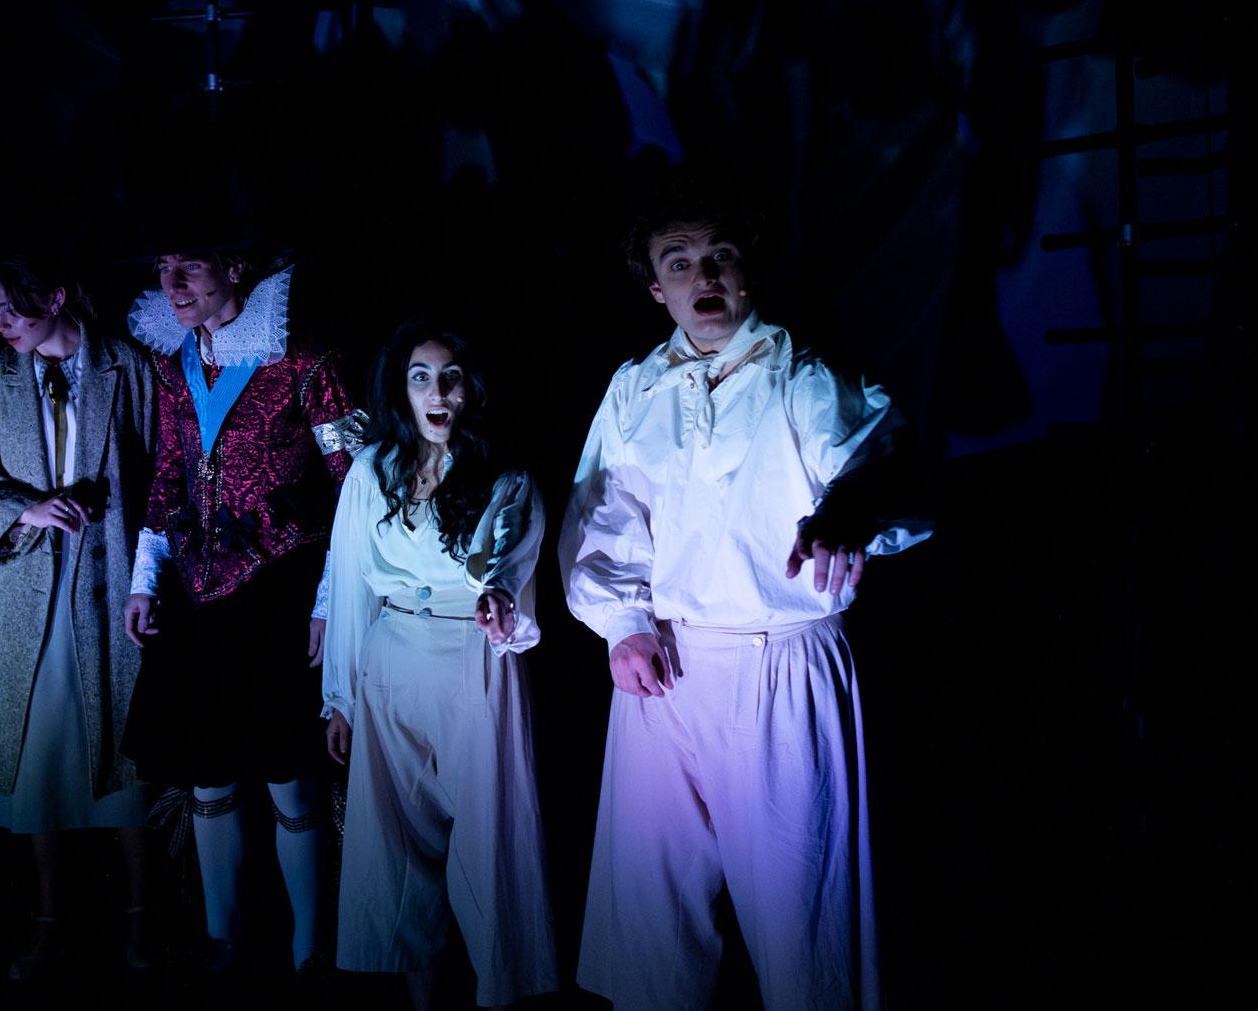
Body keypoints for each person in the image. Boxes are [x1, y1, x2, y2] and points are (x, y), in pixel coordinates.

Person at [560, 187, 928, 1011]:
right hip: (664, 662)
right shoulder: (636, 388)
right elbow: (603, 514)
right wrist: (622, 624)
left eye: (720, 256)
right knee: (648, 928)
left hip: (780, 661)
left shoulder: (802, 376)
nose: (705, 277)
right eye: (680, 262)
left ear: (748, 267)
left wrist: (849, 510)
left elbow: (878, 458)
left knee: (804, 925)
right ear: (657, 286)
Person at [120, 237, 357, 978]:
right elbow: (167, 474)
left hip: (281, 591)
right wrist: (142, 577)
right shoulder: (172, 362)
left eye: (188, 265)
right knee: (206, 774)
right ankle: (223, 938)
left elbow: (358, 487)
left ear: (235, 270)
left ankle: (309, 946)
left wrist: (330, 602)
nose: (172, 281)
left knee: (290, 773)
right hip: (197, 593)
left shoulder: (306, 360)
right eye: (161, 268)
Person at [321, 321, 557, 1009]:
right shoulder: (373, 471)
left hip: (473, 658)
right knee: (396, 846)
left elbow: (511, 550)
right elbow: (351, 580)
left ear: (471, 387)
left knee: (489, 839)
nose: (436, 391)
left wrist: (500, 596)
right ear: (402, 388)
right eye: (421, 376)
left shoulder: (503, 473)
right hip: (393, 658)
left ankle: (496, 992)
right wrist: (340, 695)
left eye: (450, 376)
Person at [0, 257, 159, 981]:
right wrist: (24, 509)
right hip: (27, 584)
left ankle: (139, 917)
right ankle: (47, 920)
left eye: (12, 309)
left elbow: (164, 463)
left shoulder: (125, 367)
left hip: (107, 579)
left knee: (123, 749)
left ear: (57, 297)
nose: (1, 325)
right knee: (39, 753)